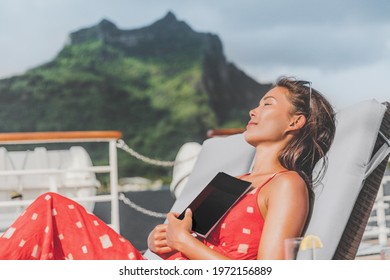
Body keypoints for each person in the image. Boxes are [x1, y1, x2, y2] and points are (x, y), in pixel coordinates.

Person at [0, 77, 336, 260]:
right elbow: (186, 240)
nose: (253, 110)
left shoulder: (286, 184)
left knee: (52, 209)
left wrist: (185, 244)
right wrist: (164, 240)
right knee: (49, 220)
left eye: (267, 104)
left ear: (295, 121)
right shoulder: (233, 182)